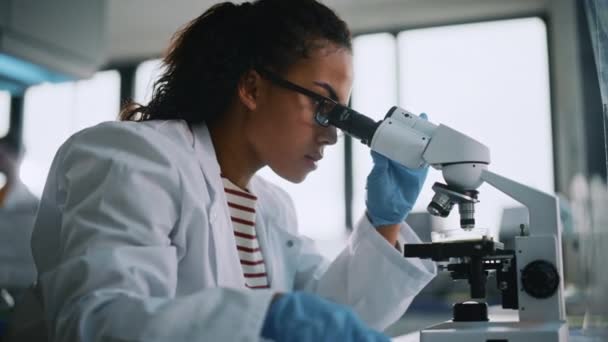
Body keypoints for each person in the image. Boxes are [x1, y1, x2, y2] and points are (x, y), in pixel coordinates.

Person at [17, 1, 436, 341]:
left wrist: (386, 224)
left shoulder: (272, 208)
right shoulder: (135, 157)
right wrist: (264, 317)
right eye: (323, 107)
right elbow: (98, 322)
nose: (331, 136)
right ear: (252, 88)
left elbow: (333, 319)